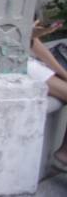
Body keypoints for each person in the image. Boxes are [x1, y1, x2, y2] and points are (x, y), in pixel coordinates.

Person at [28, 17, 67, 170]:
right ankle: (64, 153)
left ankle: (64, 153)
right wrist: (31, 33)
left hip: (29, 59)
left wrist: (64, 74)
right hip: (14, 62)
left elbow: (34, 44)